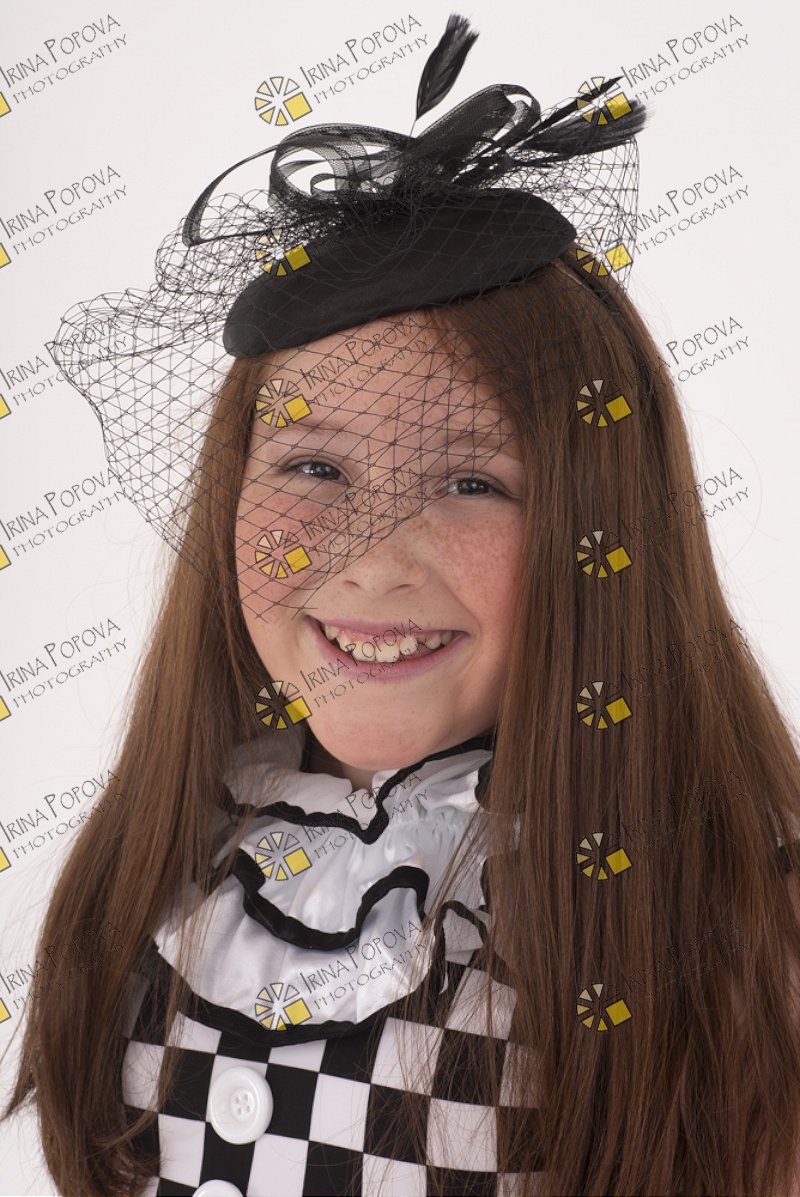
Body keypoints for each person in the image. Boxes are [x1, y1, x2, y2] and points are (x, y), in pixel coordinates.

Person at [4, 12, 800, 1197]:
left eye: (470, 482)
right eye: (312, 467)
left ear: (598, 532)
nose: (371, 561)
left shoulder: (722, 927)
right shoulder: (157, 874)